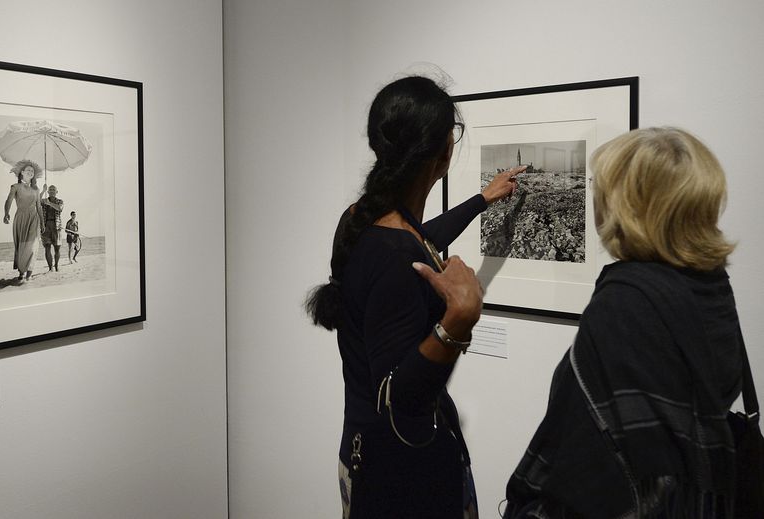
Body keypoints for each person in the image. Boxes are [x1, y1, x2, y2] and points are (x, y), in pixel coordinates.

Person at [305, 76, 526, 519]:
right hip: (403, 480)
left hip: (365, 455)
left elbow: (421, 239)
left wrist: (483, 198)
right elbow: (400, 399)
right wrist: (459, 320)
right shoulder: (394, 254)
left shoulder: (361, 221)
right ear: (444, 151)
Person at [503, 127, 744, 519]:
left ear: (629, 205)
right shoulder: (712, 284)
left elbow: (581, 452)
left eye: (604, 189)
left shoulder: (625, 302)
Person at [3, 160, 44, 283]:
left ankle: (29, 274)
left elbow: (39, 206)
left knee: (33, 246)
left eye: (32, 171)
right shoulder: (16, 187)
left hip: (34, 218)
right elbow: (9, 200)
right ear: (22, 172)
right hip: (20, 218)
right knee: (22, 246)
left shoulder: (36, 190)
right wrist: (6, 213)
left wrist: (42, 222)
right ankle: (22, 272)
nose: (31, 172)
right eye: (28, 170)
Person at [40, 184, 64, 272]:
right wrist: (43, 190)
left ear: (56, 192)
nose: (52, 190)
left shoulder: (60, 201)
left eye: (54, 189)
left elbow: (59, 208)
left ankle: (56, 265)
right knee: (47, 247)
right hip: (45, 226)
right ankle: (50, 268)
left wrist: (49, 203)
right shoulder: (44, 201)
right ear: (48, 192)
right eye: (50, 189)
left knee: (57, 248)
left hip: (56, 226)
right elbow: (36, 200)